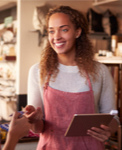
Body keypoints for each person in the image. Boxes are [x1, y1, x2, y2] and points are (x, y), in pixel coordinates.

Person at [25, 5, 119, 150]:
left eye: (64, 29)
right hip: (51, 146)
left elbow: (112, 116)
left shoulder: (100, 71)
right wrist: (33, 120)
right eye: (51, 31)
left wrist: (109, 130)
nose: (56, 36)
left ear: (77, 32)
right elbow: (38, 129)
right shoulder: (38, 71)